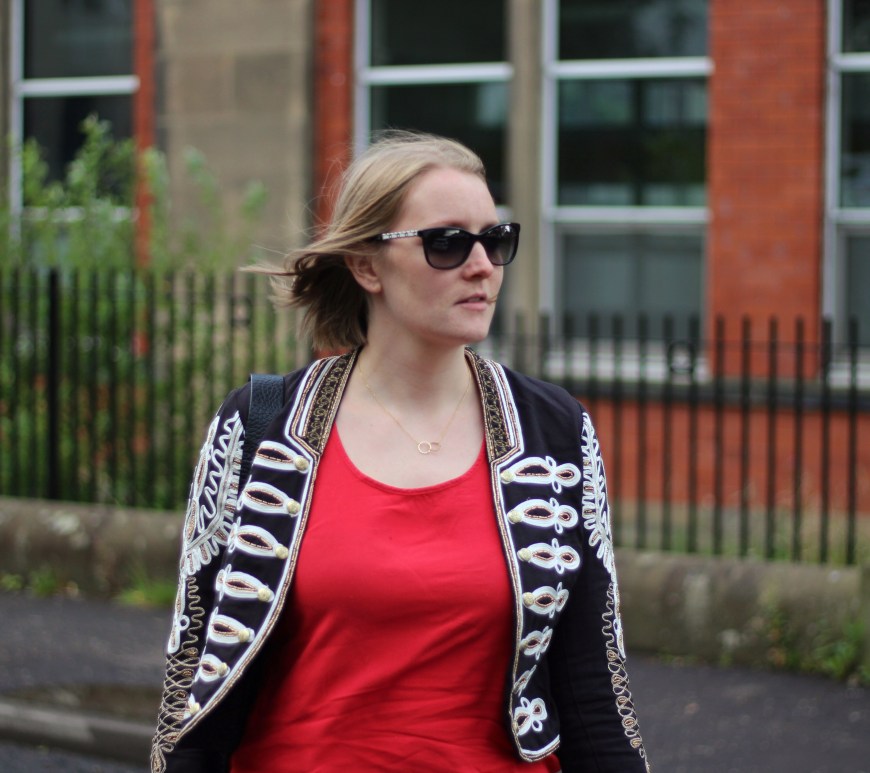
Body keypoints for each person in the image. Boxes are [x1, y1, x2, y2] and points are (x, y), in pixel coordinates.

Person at [150, 131, 650, 773]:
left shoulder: (553, 430)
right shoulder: (261, 426)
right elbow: (193, 671)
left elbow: (594, 686)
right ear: (366, 265)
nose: (482, 265)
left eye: (495, 240)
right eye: (447, 242)